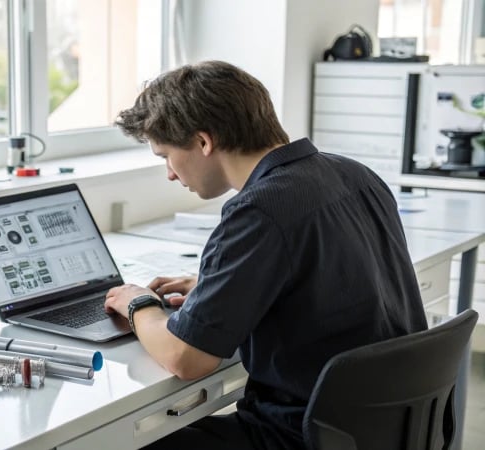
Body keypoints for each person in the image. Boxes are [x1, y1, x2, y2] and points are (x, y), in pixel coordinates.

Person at [105, 60, 428, 449]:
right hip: (382, 428)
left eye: (165, 156)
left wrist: (138, 303)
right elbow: (338, 276)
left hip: (299, 435)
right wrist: (228, 288)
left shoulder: (259, 211)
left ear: (204, 142)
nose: (171, 174)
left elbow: (185, 358)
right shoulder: (355, 174)